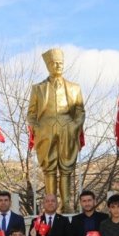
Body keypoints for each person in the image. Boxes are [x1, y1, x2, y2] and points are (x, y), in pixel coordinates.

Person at [27, 47, 86, 213]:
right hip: (46, 131)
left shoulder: (74, 88)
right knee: (49, 168)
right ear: (48, 65)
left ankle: (67, 204)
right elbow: (31, 114)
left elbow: (80, 111)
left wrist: (75, 125)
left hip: (68, 128)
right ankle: (51, 204)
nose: (58, 66)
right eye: (54, 63)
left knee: (66, 168)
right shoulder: (38, 88)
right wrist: (38, 128)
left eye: (60, 63)